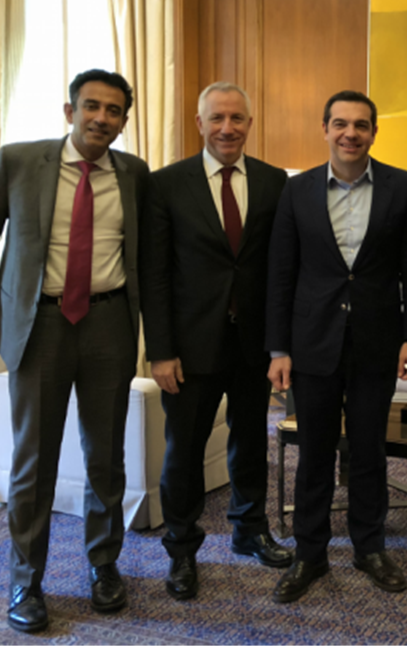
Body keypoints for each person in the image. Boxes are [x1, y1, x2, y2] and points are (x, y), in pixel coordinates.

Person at [0, 69, 150, 633]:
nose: (101, 118)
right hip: (38, 324)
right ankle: (26, 580)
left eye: (113, 110)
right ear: (70, 111)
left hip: (109, 322)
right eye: (91, 106)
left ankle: (103, 565)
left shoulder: (135, 174)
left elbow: (149, 257)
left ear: (124, 121)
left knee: (106, 455)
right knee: (33, 459)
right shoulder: (18, 161)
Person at [265, 90, 407, 603]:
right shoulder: (298, 190)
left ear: (374, 132)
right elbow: (281, 272)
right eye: (340, 124)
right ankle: (310, 554)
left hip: (377, 342)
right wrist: (278, 349)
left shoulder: (402, 186)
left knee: (368, 450)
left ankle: (369, 547)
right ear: (325, 129)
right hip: (312, 343)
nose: (350, 134)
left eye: (360, 125)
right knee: (313, 452)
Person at [140, 82, 291, 601]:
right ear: (199, 123)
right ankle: (182, 550)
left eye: (237, 118)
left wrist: (280, 345)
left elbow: (279, 269)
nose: (228, 128)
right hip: (189, 349)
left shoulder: (274, 181)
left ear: (250, 123)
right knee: (183, 452)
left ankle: (250, 531)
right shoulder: (166, 184)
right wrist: (161, 351)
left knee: (251, 442)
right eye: (217, 118)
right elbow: (155, 274)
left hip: (253, 343)